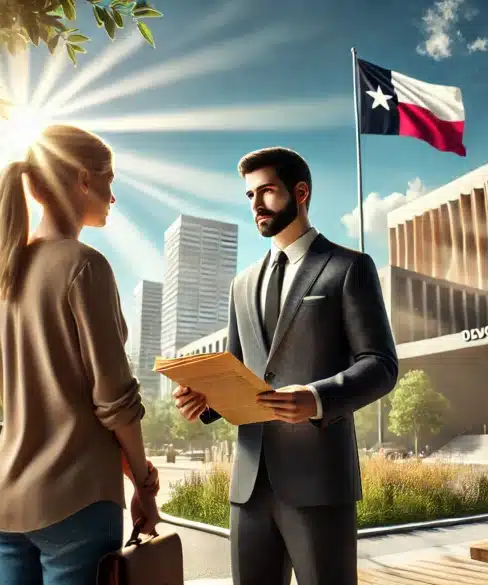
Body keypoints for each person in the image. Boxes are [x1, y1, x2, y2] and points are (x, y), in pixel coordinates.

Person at [172, 147, 399, 585]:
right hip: (249, 487)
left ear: (300, 192)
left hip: (319, 484)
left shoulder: (349, 267)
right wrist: (206, 401)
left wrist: (316, 398)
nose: (256, 204)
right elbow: (239, 371)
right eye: (250, 195)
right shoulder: (241, 285)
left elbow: (381, 365)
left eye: (268, 191)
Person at [0, 124, 161, 585]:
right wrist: (142, 482)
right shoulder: (85, 265)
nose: (112, 197)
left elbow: (50, 396)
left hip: (7, 495)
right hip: (76, 501)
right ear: (84, 179)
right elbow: (114, 399)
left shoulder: (8, 272)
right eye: (110, 181)